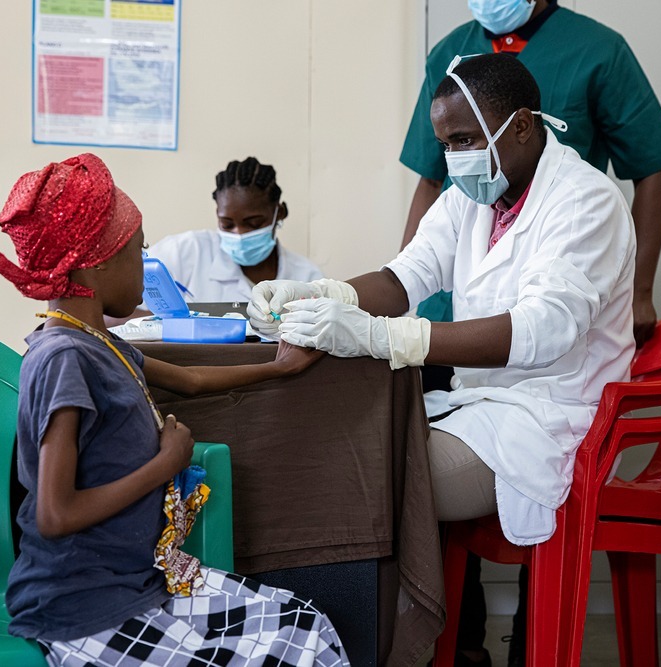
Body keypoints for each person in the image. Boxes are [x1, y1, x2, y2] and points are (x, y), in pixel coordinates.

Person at [247, 54, 635, 667]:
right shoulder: (473, 199)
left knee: (373, 473)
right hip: (483, 408)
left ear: (522, 126)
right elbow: (404, 277)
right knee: (348, 446)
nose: (454, 159)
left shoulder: (586, 201)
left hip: (553, 420)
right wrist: (319, 295)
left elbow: (541, 331)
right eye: (446, 144)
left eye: (464, 140)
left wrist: (387, 339)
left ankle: (379, 650)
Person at [0, 153, 348, 667]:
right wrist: (166, 463)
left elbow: (191, 380)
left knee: (306, 628)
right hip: (82, 607)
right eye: (139, 249)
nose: (147, 261)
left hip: (137, 581)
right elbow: (56, 515)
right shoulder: (63, 357)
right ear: (97, 262)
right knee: (284, 652)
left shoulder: (98, 342)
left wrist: (279, 367)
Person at [400, 0, 661, 348]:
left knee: (535, 344)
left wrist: (640, 291)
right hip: (451, 293)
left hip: (553, 265)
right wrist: (406, 286)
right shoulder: (449, 52)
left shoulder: (599, 50)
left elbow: (649, 168)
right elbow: (430, 179)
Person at [147, 157, 323, 304]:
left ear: (280, 213)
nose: (239, 234)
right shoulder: (185, 251)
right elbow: (130, 308)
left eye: (254, 223)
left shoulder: (307, 276)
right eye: (227, 224)